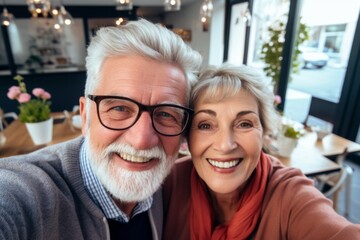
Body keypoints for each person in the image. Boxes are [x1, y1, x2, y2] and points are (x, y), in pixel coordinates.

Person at [0, 19, 202, 239]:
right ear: (86, 115)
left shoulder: (173, 189)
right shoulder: (29, 194)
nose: (142, 140)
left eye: (166, 114)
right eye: (119, 108)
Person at [163, 63, 360, 239]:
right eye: (205, 125)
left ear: (265, 132)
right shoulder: (169, 182)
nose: (225, 145)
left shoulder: (289, 194)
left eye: (244, 124)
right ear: (187, 137)